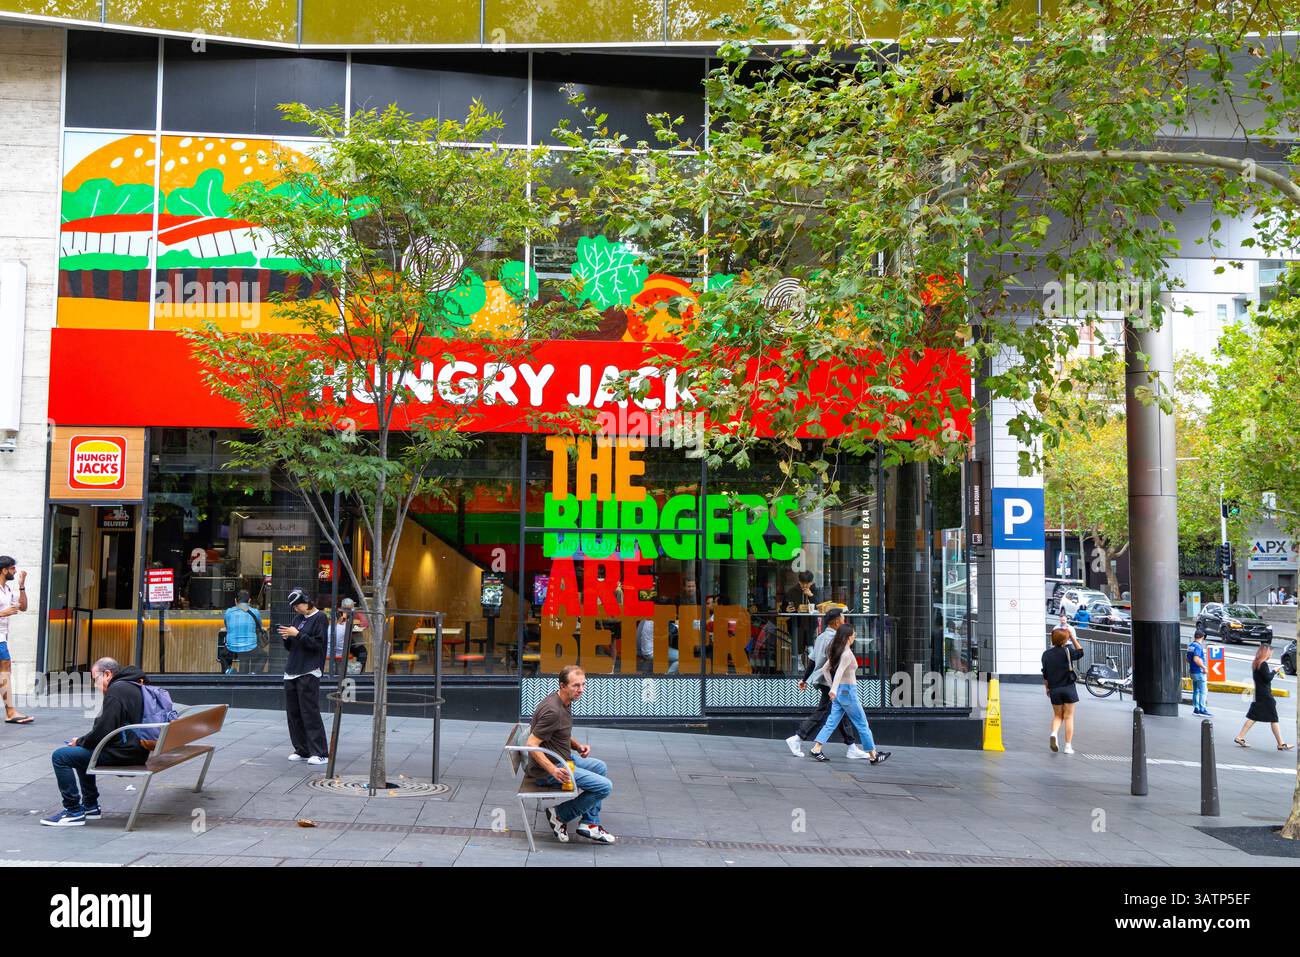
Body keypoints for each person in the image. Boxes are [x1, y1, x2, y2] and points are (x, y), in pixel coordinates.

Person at [40, 657, 150, 826]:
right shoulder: (136, 685)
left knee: (61, 756)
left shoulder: (117, 691)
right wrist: (83, 742)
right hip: (136, 750)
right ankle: (90, 806)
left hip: (124, 754)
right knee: (79, 752)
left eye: (95, 679)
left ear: (107, 674)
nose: (95, 684)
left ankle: (73, 811)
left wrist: (80, 741)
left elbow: (103, 731)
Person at [526, 665, 616, 844]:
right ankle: (559, 815)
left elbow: (561, 732)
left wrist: (577, 746)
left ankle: (590, 823)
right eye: (576, 685)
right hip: (548, 770)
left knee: (600, 767)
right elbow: (531, 744)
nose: (581, 690)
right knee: (605, 787)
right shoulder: (553, 711)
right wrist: (552, 770)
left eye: (583, 685)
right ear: (562, 685)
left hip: (563, 757)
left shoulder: (563, 701)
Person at [785, 608, 867, 758]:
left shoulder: (821, 637)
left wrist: (804, 679)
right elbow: (834, 665)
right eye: (843, 619)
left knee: (841, 713)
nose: (845, 622)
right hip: (831, 683)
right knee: (824, 711)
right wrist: (837, 685)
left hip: (826, 682)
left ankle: (851, 747)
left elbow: (812, 660)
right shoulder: (835, 639)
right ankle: (797, 738)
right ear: (837, 622)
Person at [807, 624, 890, 764]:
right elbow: (838, 672)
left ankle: (816, 749)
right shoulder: (846, 654)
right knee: (862, 723)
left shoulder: (837, 652)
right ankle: (873, 755)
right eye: (854, 634)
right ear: (848, 637)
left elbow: (825, 669)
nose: (855, 637)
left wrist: (833, 686)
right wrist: (833, 688)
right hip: (848, 692)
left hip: (840, 691)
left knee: (831, 722)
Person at [277, 588, 329, 764]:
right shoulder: (297, 619)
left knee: (309, 711)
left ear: (306, 602)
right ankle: (302, 749)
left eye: (296, 605)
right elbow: (292, 647)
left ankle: (320, 752)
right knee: (293, 713)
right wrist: (287, 637)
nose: (295, 609)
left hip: (309, 669)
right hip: (292, 669)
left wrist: (297, 634)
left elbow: (318, 645)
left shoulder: (320, 618)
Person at [1234, 644, 1292, 750]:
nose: (1271, 654)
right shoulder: (1263, 664)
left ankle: (1240, 737)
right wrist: (1275, 671)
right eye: (1270, 652)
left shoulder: (1256, 663)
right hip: (1265, 696)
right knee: (1274, 719)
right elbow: (1267, 678)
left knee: (1253, 717)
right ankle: (1281, 743)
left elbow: (1263, 677)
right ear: (1266, 652)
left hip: (1259, 694)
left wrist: (1273, 672)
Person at [0, 557, 33, 724]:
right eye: (12, 569)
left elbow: (23, 606)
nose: (15, 571)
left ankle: (11, 711)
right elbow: (5, 611)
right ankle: (10, 711)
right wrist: (2, 613)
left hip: (2, 637)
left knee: (5, 671)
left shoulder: (6, 589)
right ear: (4, 570)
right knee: (4, 670)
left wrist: (22, 585)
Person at [1041, 626, 1084, 753]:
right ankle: (1068, 746)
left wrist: (1047, 688)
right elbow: (1081, 652)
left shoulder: (1046, 654)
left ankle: (1054, 733)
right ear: (1065, 639)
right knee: (1069, 717)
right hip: (1069, 688)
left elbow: (1045, 674)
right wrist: (1072, 637)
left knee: (1058, 716)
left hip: (1054, 689)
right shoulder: (1068, 651)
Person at [220, 589, 260, 674]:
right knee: (263, 655)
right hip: (250, 647)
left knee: (223, 655)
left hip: (232, 647)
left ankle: (228, 670)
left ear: (235, 600)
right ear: (249, 601)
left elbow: (227, 626)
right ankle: (253, 673)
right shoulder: (255, 612)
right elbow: (258, 626)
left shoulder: (228, 612)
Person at [333, 597, 369, 672]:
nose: (349, 610)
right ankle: (339, 672)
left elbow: (365, 623)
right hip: (341, 642)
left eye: (351, 608)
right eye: (347, 609)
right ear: (342, 607)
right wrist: (344, 615)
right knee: (340, 654)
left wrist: (358, 625)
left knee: (363, 652)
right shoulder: (338, 613)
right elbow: (339, 624)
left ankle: (359, 673)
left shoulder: (356, 613)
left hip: (354, 641)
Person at [1187, 627, 1212, 717]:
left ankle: (1196, 708)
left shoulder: (1191, 646)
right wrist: (1204, 667)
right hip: (1199, 671)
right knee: (1203, 691)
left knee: (1196, 691)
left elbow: (1188, 659)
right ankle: (1202, 709)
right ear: (1203, 637)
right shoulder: (1198, 646)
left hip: (1192, 671)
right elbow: (1196, 659)